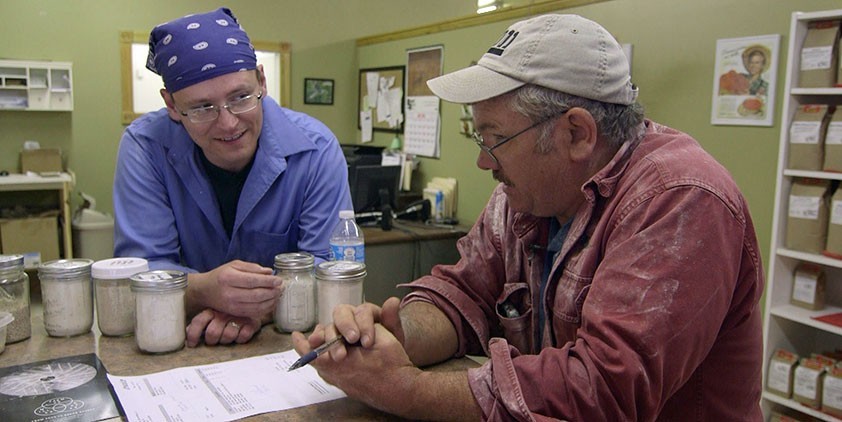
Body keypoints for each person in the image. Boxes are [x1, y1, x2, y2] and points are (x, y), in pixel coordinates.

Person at [293, 13, 764, 420]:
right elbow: (466, 291)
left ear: (576, 133)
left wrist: (406, 390)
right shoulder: (525, 197)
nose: (484, 161)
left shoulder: (680, 199)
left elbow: (604, 388)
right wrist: (401, 335)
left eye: (494, 138)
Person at [113, 8, 352, 347]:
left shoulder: (316, 150)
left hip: (285, 343)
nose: (228, 124)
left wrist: (255, 308)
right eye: (202, 108)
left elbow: (329, 271)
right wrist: (202, 290)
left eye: (240, 98)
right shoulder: (146, 148)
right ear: (171, 105)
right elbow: (140, 272)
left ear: (262, 81)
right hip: (180, 340)